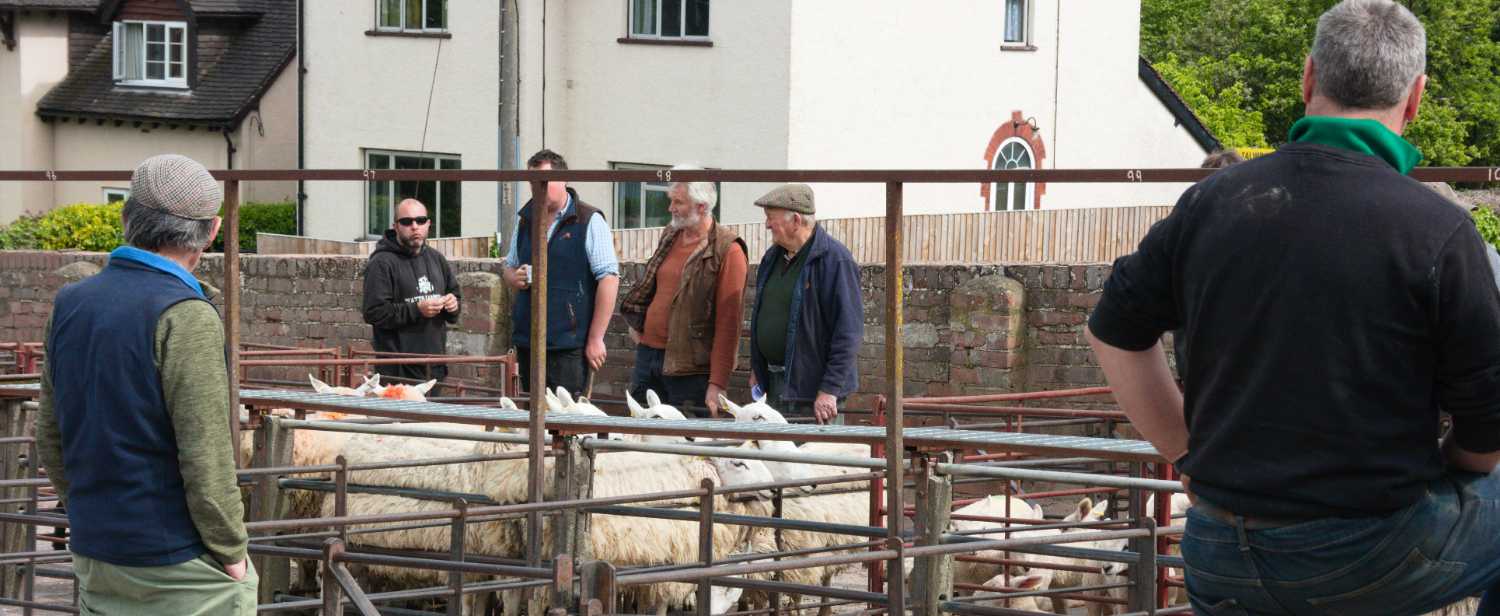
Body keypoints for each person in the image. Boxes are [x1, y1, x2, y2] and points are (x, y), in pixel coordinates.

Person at [1084, 2, 1500, 614]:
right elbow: (1487, 434)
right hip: (1365, 555)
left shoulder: (1211, 204)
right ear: (1415, 99)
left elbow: (1113, 332)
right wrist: (1449, 475)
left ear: (1307, 77)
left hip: (1218, 550)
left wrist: (1186, 454)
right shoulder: (1438, 230)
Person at [36, 154, 256, 614]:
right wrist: (233, 552)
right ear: (212, 232)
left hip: (96, 548)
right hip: (175, 558)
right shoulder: (186, 314)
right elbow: (206, 454)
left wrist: (83, 512)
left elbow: (51, 434)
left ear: (125, 217)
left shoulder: (70, 302)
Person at [618, 169, 748, 416]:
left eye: (678, 202)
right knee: (641, 434)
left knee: (685, 443)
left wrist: (718, 382)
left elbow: (729, 322)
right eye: (671, 201)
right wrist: (638, 322)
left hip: (690, 370)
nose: (671, 208)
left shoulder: (727, 250)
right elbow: (652, 284)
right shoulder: (671, 234)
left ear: (701, 206)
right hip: (649, 356)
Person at [502, 149, 620, 394]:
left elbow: (609, 278)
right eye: (533, 182)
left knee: (566, 422)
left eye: (545, 181)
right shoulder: (526, 219)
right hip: (528, 340)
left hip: (568, 344)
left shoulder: (588, 219)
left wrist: (596, 338)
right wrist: (515, 277)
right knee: (533, 417)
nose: (538, 188)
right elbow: (508, 266)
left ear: (564, 179)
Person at [748, 184, 862, 424]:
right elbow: (764, 315)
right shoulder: (772, 258)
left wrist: (829, 389)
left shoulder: (835, 260)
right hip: (774, 385)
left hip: (813, 395)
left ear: (796, 220)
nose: (767, 225)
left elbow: (848, 332)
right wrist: (758, 369)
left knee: (812, 459)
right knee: (774, 458)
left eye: (771, 218)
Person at [362, 198, 461, 394]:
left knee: (431, 424)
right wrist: (417, 309)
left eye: (420, 220)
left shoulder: (436, 259)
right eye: (407, 222)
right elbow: (374, 312)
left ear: (428, 224)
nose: (415, 226)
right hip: (398, 370)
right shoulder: (382, 263)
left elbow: (455, 297)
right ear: (396, 226)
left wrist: (453, 305)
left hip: (433, 368)